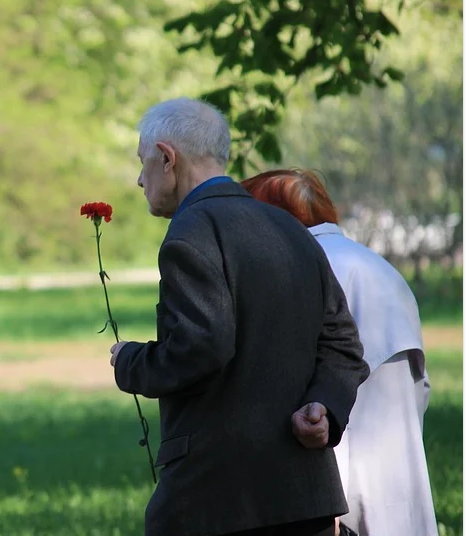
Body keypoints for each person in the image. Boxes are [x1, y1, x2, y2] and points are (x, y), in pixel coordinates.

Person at [108, 98, 370, 536]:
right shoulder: (290, 228)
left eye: (143, 162)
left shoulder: (191, 232)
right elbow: (343, 342)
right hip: (306, 497)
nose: (139, 179)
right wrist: (324, 405)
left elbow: (203, 345)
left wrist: (130, 363)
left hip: (219, 499)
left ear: (167, 158)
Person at [241, 169, 438, 536]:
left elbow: (297, 387)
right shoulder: (378, 266)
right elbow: (419, 387)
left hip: (332, 486)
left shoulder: (301, 268)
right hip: (398, 468)